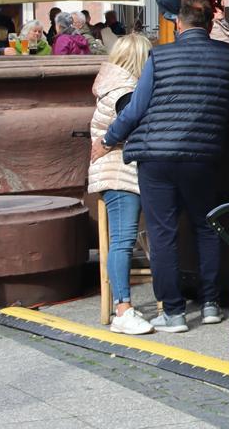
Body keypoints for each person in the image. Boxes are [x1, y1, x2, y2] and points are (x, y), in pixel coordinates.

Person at [102, 0, 229, 333]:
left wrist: (110, 137)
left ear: (178, 26)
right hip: (202, 154)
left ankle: (173, 312)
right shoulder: (228, 56)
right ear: (209, 26)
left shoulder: (160, 55)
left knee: (163, 233)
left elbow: (137, 108)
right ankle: (211, 304)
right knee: (206, 226)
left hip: (157, 157)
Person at [89, 33, 153, 335]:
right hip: (119, 172)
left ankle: (123, 305)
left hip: (114, 170)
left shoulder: (112, 84)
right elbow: (131, 128)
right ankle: (122, 308)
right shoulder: (125, 91)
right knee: (123, 239)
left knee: (124, 238)